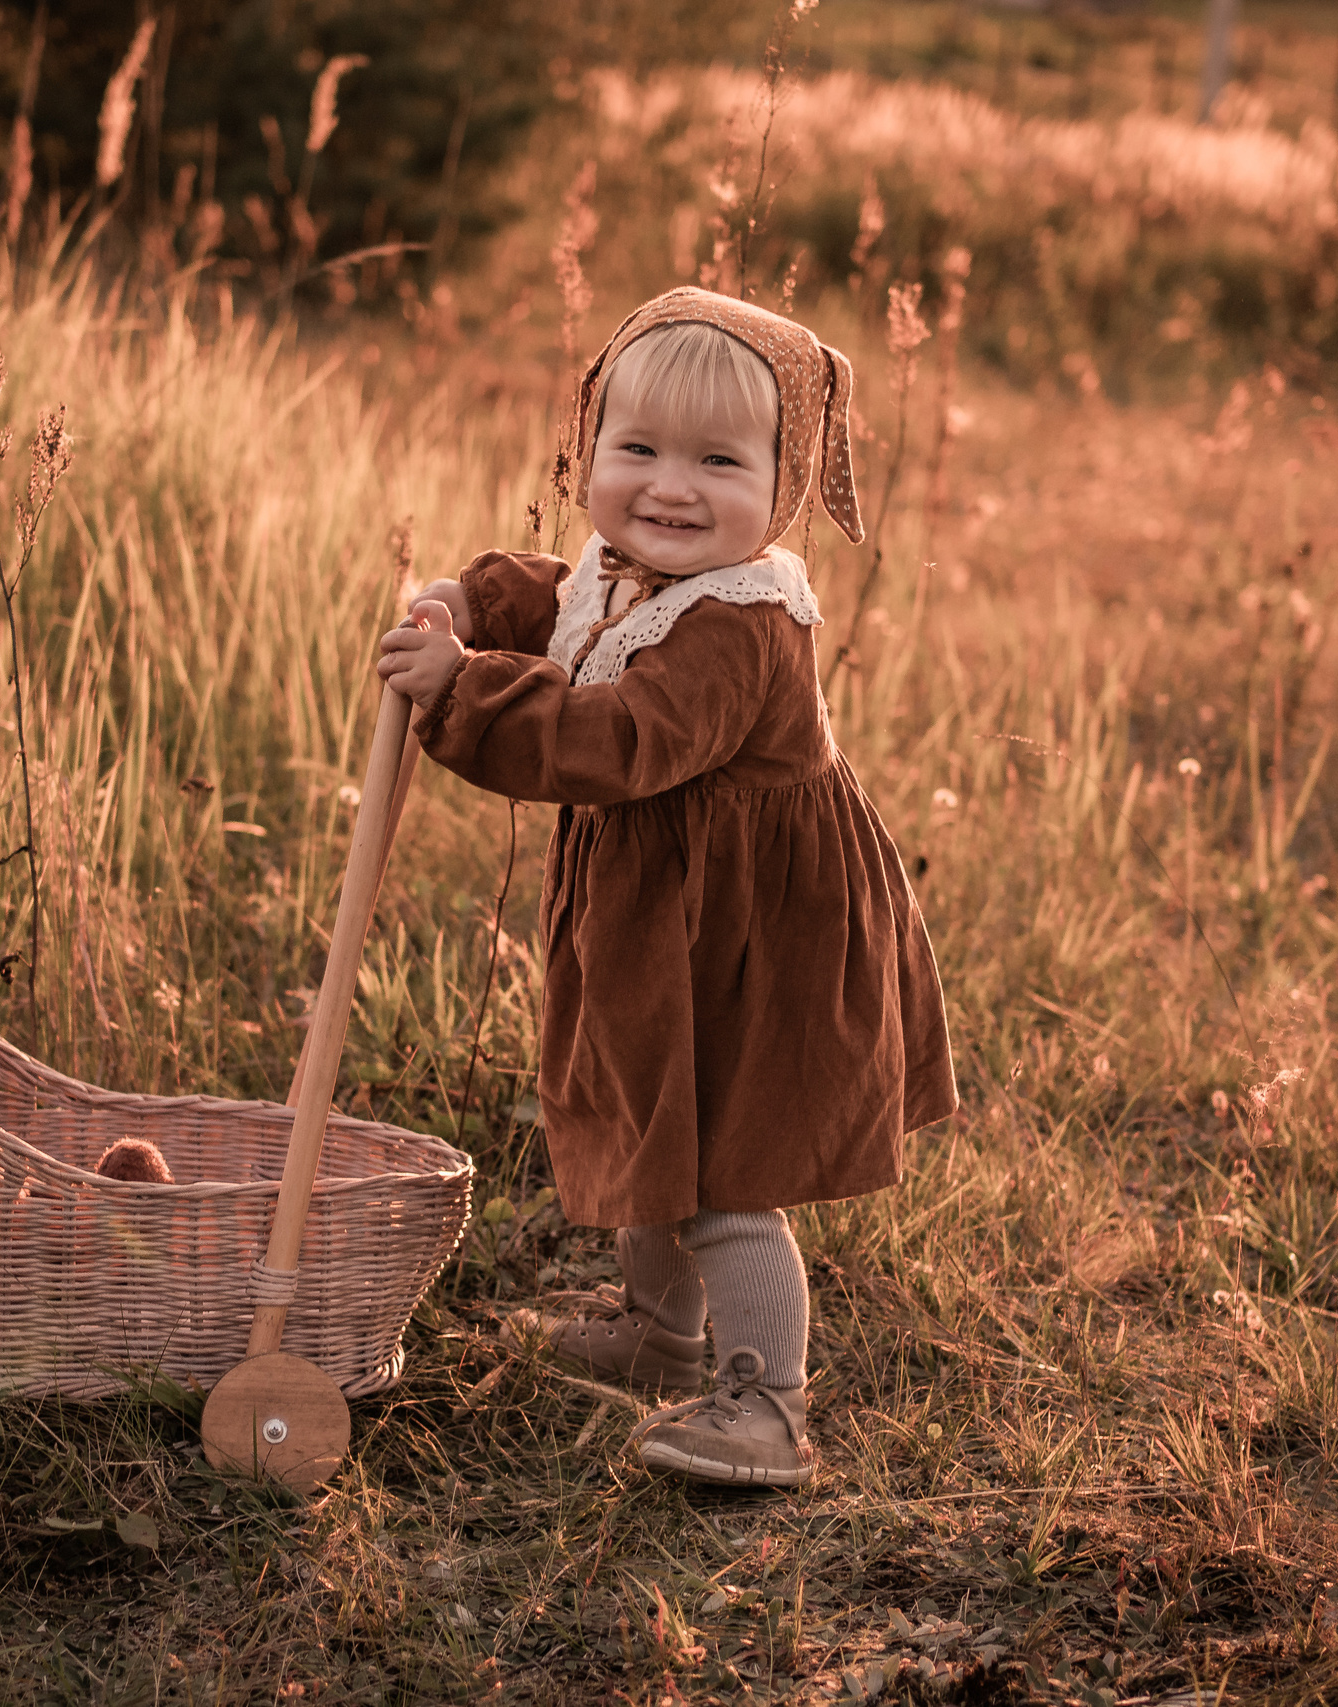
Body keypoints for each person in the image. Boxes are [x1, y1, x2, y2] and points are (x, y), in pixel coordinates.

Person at [375, 288, 958, 1489]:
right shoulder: (628, 568)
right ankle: (658, 1333)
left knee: (724, 1167)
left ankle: (767, 1403)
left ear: (782, 482)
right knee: (656, 1112)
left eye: (718, 461)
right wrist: (474, 607)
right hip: (665, 920)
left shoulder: (744, 624)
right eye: (635, 450)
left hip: (757, 936)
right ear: (592, 450)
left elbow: (616, 740)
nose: (669, 488)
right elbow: (560, 597)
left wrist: (462, 687)